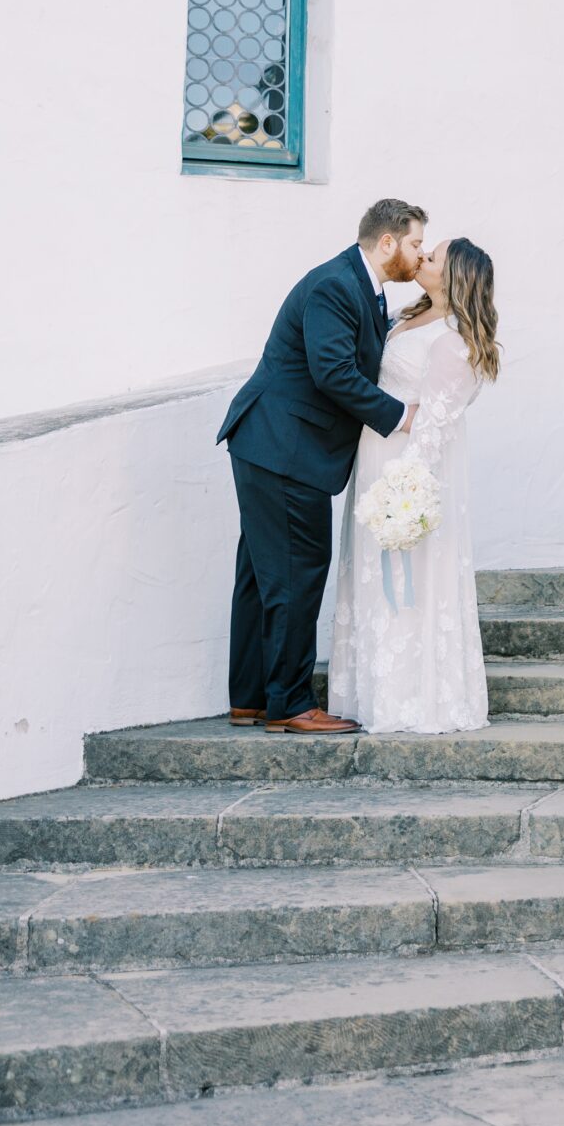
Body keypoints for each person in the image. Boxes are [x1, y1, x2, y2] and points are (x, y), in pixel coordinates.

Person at [217, 199, 428, 733]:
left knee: (262, 575)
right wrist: (400, 416)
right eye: (415, 244)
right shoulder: (337, 284)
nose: (419, 254)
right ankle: (289, 703)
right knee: (296, 572)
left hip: (270, 443)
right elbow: (332, 371)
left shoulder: (360, 287)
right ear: (388, 243)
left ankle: (252, 697)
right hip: (284, 447)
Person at [330, 237, 500, 733]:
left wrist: (405, 493)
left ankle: (412, 696)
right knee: (369, 573)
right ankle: (373, 692)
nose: (423, 258)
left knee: (408, 575)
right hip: (375, 455)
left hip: (405, 470)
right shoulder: (407, 316)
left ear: (454, 277)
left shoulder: (453, 340)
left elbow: (435, 425)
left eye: (434, 257)